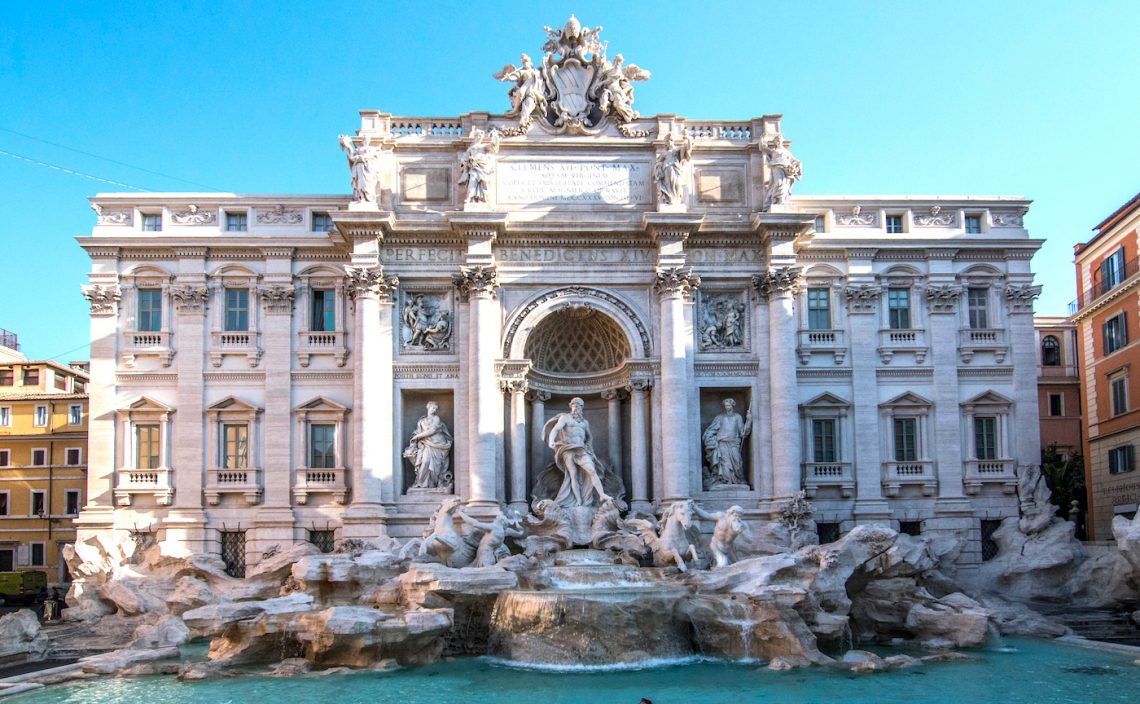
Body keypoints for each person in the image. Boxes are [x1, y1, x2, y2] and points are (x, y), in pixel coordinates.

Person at [545, 397, 610, 507]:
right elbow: (555, 429)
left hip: (581, 450)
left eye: (578, 407)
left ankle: (602, 494)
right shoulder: (565, 418)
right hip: (568, 449)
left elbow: (589, 437)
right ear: (571, 407)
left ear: (581, 408)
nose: (576, 409)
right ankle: (578, 501)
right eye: (574, 406)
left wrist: (589, 447)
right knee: (573, 475)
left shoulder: (584, 423)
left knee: (592, 471)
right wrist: (551, 440)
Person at [702, 398, 752, 486]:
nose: (727, 407)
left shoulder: (737, 417)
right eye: (725, 406)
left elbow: (743, 432)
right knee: (724, 463)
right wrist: (709, 437)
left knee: (737, 462)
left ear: (732, 406)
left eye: (728, 405)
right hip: (722, 443)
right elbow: (712, 430)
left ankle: (737, 480)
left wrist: (749, 421)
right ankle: (725, 481)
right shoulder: (720, 417)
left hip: (734, 443)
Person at [405, 402, 453, 489]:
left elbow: (432, 431)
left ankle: (432, 485)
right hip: (426, 444)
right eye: (433, 408)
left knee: (436, 467)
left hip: (438, 443)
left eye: (435, 409)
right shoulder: (422, 420)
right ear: (428, 408)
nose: (434, 410)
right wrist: (415, 436)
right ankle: (421, 483)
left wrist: (417, 436)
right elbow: (418, 431)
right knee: (425, 461)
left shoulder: (436, 418)